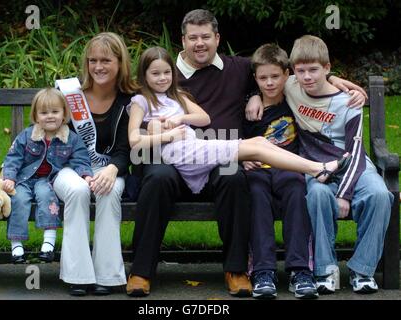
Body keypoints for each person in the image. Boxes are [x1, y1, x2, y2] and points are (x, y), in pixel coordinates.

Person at [126, 8, 366, 298]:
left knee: (234, 179)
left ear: (217, 38)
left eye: (205, 36)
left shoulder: (238, 68)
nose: (199, 43)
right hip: (169, 156)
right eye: (193, 38)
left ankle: (236, 269)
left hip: (223, 155)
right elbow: (133, 100)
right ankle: (141, 271)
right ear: (183, 41)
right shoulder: (166, 73)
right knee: (158, 177)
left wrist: (336, 81)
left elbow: (280, 73)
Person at [288, 35, 393, 294]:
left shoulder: (349, 101)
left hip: (353, 165)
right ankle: (325, 270)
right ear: (293, 72)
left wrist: (345, 193)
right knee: (318, 195)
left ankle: (362, 270)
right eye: (300, 71)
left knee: (380, 194)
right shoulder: (291, 86)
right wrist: (256, 98)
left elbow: (355, 151)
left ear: (326, 67)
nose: (307, 77)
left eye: (314, 70)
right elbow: (258, 68)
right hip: (317, 168)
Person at [54, 32, 137, 296]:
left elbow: (125, 149)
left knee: (110, 190)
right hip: (68, 167)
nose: (98, 67)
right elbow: (55, 140)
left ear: (119, 62)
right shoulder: (70, 96)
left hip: (109, 167)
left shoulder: (130, 100)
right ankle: (77, 275)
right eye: (93, 61)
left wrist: (112, 169)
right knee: (78, 192)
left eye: (106, 60)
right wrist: (82, 172)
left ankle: (108, 276)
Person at [242, 44, 317, 299]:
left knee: (297, 189)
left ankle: (300, 270)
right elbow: (234, 139)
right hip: (257, 170)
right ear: (255, 79)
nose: (270, 83)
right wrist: (242, 160)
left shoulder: (295, 99)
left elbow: (318, 77)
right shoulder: (248, 108)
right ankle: (263, 270)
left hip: (289, 166)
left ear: (287, 75)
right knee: (255, 194)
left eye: (275, 76)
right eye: (263, 78)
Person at [2, 88, 93, 265]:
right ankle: (16, 245)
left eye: (55, 112)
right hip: (24, 180)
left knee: (46, 196)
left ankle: (48, 243)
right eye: (44, 113)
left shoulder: (71, 139)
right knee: (18, 199)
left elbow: (80, 159)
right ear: (36, 116)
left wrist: (86, 176)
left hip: (48, 180)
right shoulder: (27, 135)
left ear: (64, 114)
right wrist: (10, 177)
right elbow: (13, 157)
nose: (50, 116)